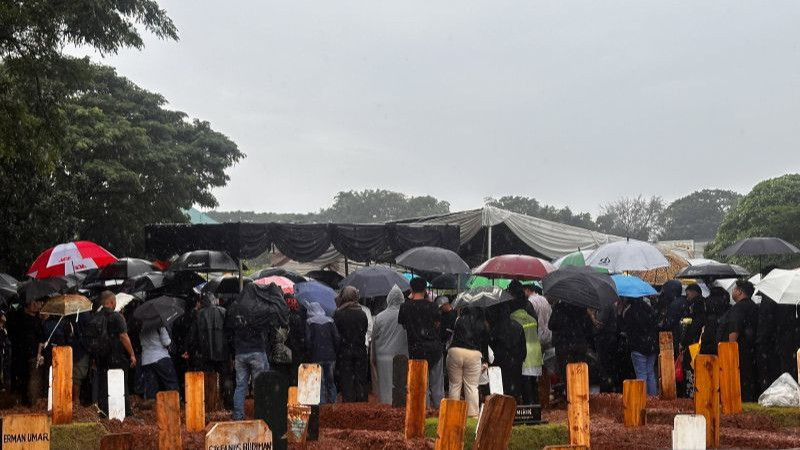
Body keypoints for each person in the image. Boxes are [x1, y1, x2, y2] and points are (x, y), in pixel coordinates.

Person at [226, 283, 287, 420]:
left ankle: (238, 415)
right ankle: (262, 415)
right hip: (257, 351)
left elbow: (229, 328)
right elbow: (273, 317)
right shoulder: (258, 308)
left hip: (240, 353)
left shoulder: (235, 307)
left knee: (240, 386)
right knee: (260, 385)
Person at [398, 277, 444, 408]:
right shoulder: (432, 306)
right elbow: (437, 325)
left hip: (416, 350)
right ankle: (440, 411)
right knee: (437, 385)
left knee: (421, 385)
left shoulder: (405, 307)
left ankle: (424, 412)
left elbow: (404, 326)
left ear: (411, 289)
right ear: (425, 290)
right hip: (434, 348)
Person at [92, 291, 136, 417]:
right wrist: (132, 354)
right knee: (120, 383)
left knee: (103, 384)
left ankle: (104, 411)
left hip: (101, 357)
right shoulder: (117, 317)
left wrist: (93, 358)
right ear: (111, 302)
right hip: (116, 356)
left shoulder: (95, 317)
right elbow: (123, 336)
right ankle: (124, 411)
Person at [719, 280, 759, 402]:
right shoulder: (754, 307)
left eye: (734, 289)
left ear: (740, 292)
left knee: (739, 377)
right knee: (749, 377)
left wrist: (730, 348)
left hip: (739, 349)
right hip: (752, 349)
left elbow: (734, 328)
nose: (732, 292)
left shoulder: (738, 308)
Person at [447, 306, 489, 416]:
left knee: (455, 385)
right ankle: (472, 415)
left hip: (455, 351)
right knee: (471, 386)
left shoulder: (459, 320)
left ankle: (453, 415)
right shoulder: (482, 324)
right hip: (473, 354)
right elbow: (484, 345)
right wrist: (485, 360)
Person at [372, 285, 408, 404]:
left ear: (388, 299)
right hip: (403, 355)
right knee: (401, 384)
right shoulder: (406, 316)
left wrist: (373, 357)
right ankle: (400, 407)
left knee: (385, 386)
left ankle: (386, 407)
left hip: (383, 356)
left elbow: (374, 337)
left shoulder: (379, 317)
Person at [548, 299, 593, 394]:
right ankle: (580, 395)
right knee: (580, 373)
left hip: (564, 346)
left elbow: (551, 325)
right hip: (579, 346)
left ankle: (570, 395)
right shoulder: (581, 306)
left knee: (567, 374)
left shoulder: (559, 307)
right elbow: (588, 327)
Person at [7, 297, 46, 406]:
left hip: (30, 353)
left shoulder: (37, 320)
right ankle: (27, 401)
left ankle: (29, 401)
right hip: (24, 353)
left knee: (32, 378)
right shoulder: (19, 319)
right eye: (33, 303)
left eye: (37, 302)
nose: (36, 305)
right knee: (29, 378)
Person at [333, 286, 369, 402]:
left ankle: (349, 404)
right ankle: (361, 402)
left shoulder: (338, 314)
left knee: (346, 379)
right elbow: (364, 331)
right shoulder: (362, 314)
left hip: (344, 351)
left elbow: (336, 334)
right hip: (360, 350)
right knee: (360, 378)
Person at [486, 303, 527, 402]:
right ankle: (515, 405)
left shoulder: (495, 329)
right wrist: (521, 358)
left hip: (501, 363)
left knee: (502, 389)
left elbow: (491, 347)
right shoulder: (518, 326)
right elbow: (523, 347)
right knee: (515, 388)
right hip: (516, 363)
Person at [620, 295, 659, 396]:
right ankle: (653, 398)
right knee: (650, 373)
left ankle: (642, 397)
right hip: (651, 346)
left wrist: (621, 314)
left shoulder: (629, 312)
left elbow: (626, 329)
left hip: (638, 346)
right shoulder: (649, 309)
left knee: (641, 373)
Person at [509, 295, 542, 405]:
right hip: (536, 354)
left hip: (525, 355)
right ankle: (536, 407)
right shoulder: (532, 319)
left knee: (526, 385)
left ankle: (529, 407)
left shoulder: (513, 320)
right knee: (533, 384)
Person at [306, 302, 339, 404]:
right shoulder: (330, 321)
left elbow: (308, 341)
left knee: (319, 382)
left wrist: (309, 353)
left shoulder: (309, 322)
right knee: (331, 381)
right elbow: (336, 338)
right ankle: (333, 403)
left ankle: (322, 404)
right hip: (330, 355)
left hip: (316, 356)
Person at [680, 283, 705, 397]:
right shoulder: (702, 304)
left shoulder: (697, 305)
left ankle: (691, 393)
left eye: (688, 294)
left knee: (691, 368)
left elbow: (694, 326)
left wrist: (684, 342)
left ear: (695, 292)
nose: (687, 297)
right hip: (698, 341)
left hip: (694, 343)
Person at [140, 325, 178, 399]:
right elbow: (166, 342)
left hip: (146, 360)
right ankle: (173, 402)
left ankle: (152, 403)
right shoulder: (159, 325)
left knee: (151, 388)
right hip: (161, 357)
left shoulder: (141, 327)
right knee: (171, 383)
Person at [658, 280, 687, 356]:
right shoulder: (682, 301)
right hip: (678, 337)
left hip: (672, 337)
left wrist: (660, 324)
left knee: (670, 359)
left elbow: (668, 323)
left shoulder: (675, 304)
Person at [524, 284, 552, 348]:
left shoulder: (530, 301)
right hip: (548, 335)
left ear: (527, 290)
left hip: (538, 335)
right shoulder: (544, 299)